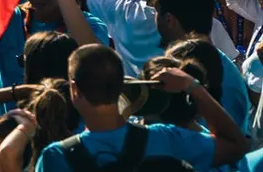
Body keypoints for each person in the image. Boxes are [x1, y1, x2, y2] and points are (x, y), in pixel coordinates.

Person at [35, 44, 247, 170]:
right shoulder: (165, 139)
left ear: (75, 90)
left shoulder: (55, 157)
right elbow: (236, 146)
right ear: (121, 86)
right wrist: (194, 87)